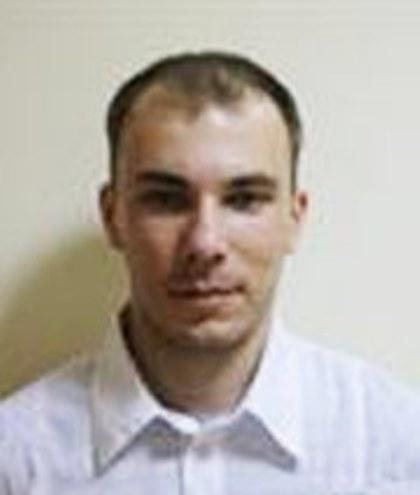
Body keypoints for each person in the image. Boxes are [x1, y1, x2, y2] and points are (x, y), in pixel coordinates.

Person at [1, 51, 420, 495]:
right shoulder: (16, 460)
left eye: (244, 199)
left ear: (294, 218)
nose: (204, 243)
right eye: (166, 200)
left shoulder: (395, 448)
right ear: (113, 216)